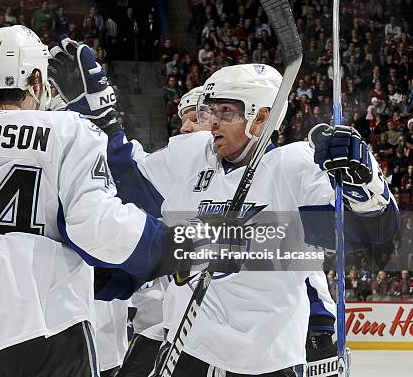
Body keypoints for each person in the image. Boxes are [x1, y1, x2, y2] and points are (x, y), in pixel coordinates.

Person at [0, 26, 206, 377]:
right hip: (44, 330)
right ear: (37, 79)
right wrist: (174, 246)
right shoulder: (67, 129)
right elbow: (97, 227)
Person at [57, 56, 399, 375]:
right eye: (212, 110)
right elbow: (128, 181)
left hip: (266, 361)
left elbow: (360, 238)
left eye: (227, 112)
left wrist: (365, 186)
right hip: (187, 350)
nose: (214, 121)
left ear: (262, 117)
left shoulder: (292, 167)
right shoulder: (193, 155)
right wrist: (102, 117)